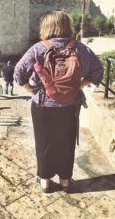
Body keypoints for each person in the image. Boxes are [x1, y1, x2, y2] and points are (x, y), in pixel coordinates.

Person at [14, 11, 103, 193]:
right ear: (67, 26)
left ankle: (45, 181)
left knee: (44, 141)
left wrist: (30, 89)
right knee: (67, 142)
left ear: (46, 27)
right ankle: (65, 181)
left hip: (43, 104)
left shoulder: (39, 48)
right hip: (71, 105)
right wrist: (80, 86)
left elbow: (18, 72)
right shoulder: (80, 48)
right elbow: (98, 70)